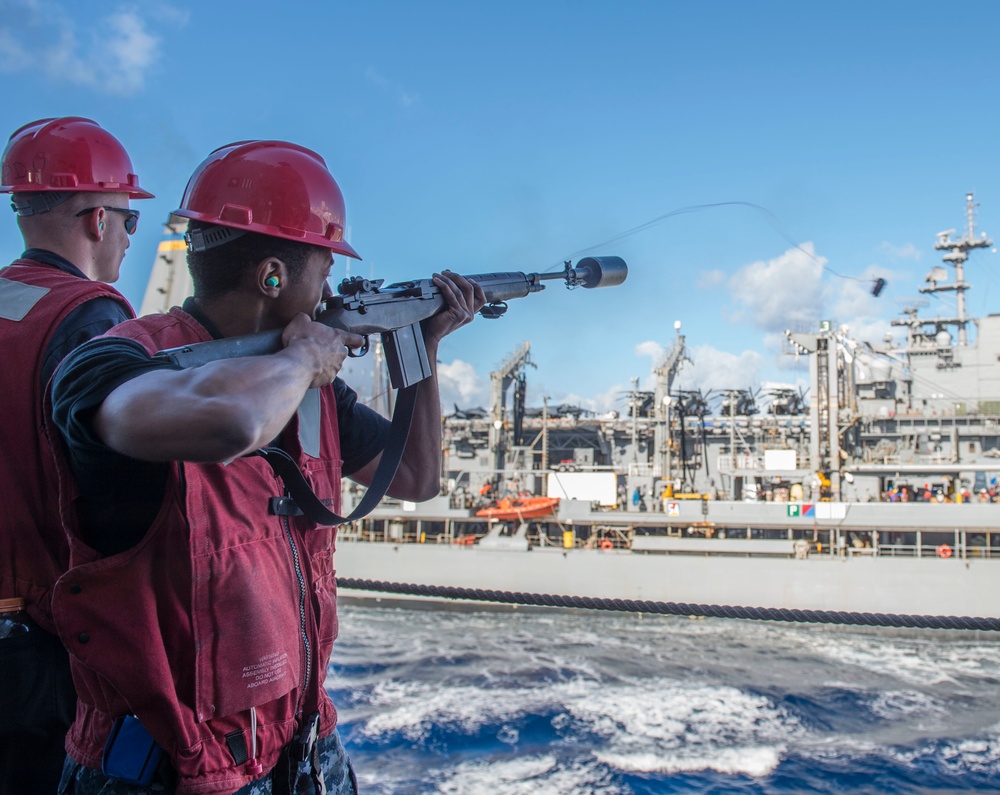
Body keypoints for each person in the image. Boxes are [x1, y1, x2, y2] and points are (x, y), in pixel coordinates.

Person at [49, 140, 486, 794]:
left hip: (296, 747)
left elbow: (416, 478)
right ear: (273, 276)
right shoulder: (111, 365)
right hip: (163, 769)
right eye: (324, 273)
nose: (332, 292)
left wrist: (418, 348)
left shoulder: (316, 392)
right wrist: (302, 362)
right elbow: (230, 424)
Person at [0, 117, 153, 795]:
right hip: (49, 655)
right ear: (98, 218)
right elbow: (131, 502)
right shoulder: (94, 320)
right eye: (128, 221)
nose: (126, 237)